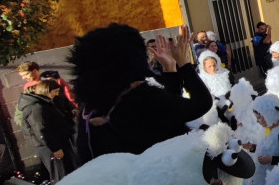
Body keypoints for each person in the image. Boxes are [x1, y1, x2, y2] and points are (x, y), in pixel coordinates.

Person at [70, 24, 212, 163]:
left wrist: (169, 68)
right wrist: (183, 61)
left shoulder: (89, 107)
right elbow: (201, 104)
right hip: (155, 178)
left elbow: (166, 116)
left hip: (116, 181)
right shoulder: (139, 98)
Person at [18, 80, 75, 183]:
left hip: (53, 143)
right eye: (55, 91)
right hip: (48, 146)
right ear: (47, 91)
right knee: (60, 174)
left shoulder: (43, 103)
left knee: (64, 171)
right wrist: (55, 148)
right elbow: (41, 130)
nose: (57, 94)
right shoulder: (37, 107)